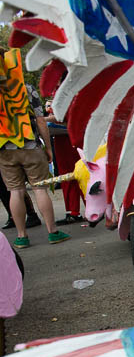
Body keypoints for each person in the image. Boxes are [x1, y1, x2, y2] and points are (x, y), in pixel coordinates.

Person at [0, 47, 70, 249]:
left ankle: (21, 236)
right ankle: (52, 232)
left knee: (15, 191)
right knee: (40, 189)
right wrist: (48, 148)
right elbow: (40, 120)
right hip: (30, 145)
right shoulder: (26, 88)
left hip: (5, 150)